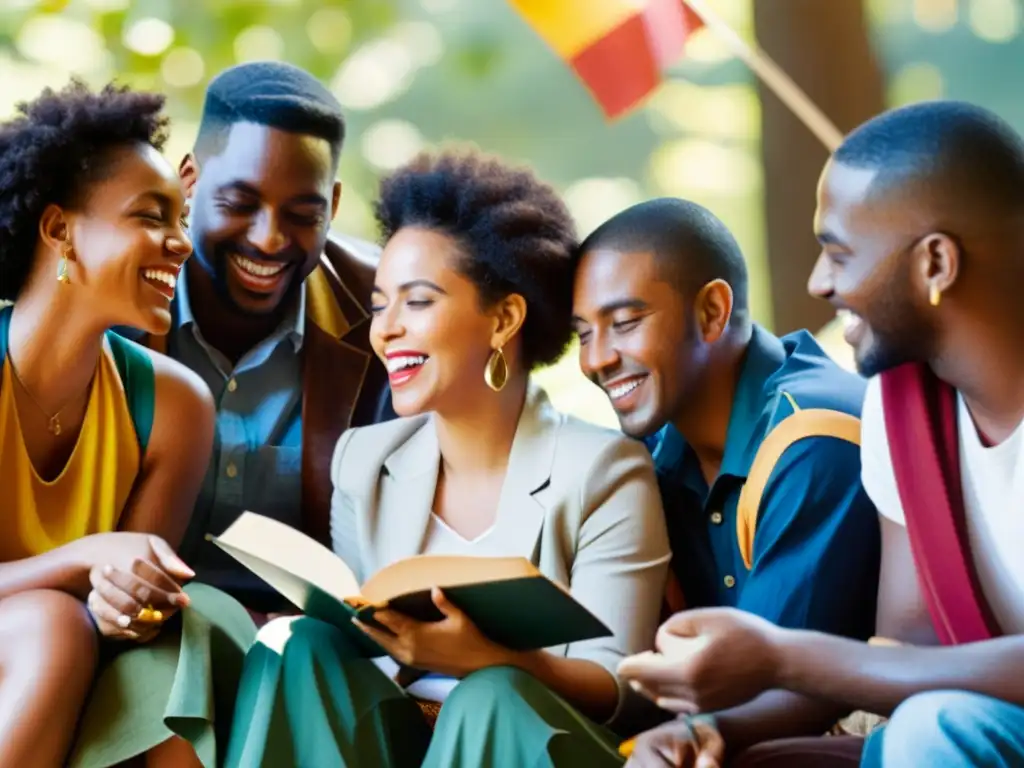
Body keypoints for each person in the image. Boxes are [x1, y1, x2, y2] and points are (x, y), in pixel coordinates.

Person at [223, 149, 672, 768]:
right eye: (380, 305)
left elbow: (619, 688)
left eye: (418, 301)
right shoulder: (364, 459)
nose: (386, 330)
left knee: (488, 696)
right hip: (400, 739)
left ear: (504, 319)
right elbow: (360, 649)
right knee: (296, 643)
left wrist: (495, 659)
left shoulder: (605, 472)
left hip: (530, 745)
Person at [617, 101, 1024, 768]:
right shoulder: (903, 411)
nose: (819, 282)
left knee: (933, 728)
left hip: (952, 735)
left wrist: (783, 654)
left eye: (839, 254)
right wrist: (717, 732)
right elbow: (902, 658)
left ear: (936, 264)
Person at [571, 198, 881, 766]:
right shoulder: (651, 453)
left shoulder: (811, 437)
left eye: (624, 324)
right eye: (582, 334)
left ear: (712, 311)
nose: (596, 360)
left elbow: (782, 689)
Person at [0, 81, 255, 768]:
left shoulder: (175, 404)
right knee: (51, 626)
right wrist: (86, 559)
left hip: (69, 657)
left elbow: (134, 595)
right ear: (59, 230)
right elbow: (88, 576)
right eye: (151, 217)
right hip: (34, 644)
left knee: (193, 631)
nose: (180, 244)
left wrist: (129, 604)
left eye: (181, 220)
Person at [127, 61, 394, 616]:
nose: (269, 239)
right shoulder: (114, 290)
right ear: (189, 180)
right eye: (240, 205)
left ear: (334, 206)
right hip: (132, 629)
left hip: (302, 643)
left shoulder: (388, 312)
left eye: (301, 214)